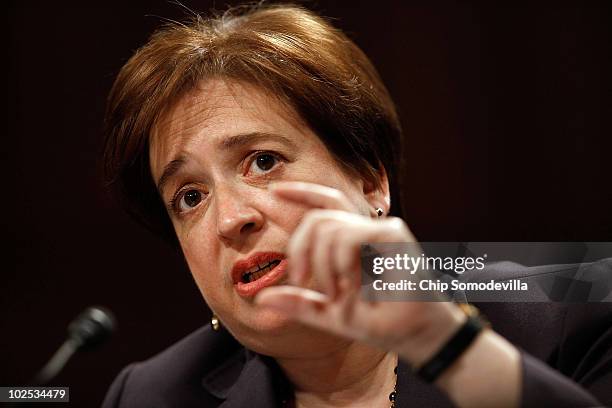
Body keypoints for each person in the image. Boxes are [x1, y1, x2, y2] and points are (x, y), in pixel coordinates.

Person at [101, 3, 612, 407]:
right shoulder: (154, 395)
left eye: (262, 162)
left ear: (370, 183)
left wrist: (450, 350)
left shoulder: (572, 311)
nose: (232, 219)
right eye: (190, 197)